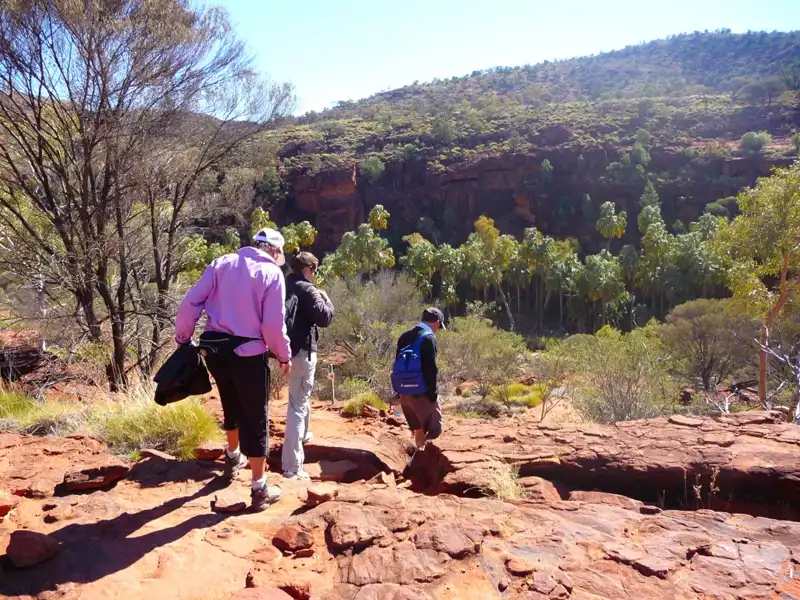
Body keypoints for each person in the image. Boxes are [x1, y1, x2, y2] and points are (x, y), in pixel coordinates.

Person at [174, 227, 292, 512]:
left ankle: (232, 457)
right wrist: (283, 355)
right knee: (256, 416)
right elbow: (272, 325)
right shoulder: (271, 273)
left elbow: (190, 302)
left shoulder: (221, 263)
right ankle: (259, 488)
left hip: (215, 352)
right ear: (275, 251)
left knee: (230, 402)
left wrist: (183, 339)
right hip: (248, 355)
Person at [281, 252, 334, 480]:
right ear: (308, 269)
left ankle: (302, 435)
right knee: (297, 405)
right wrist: (327, 300)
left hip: (283, 352)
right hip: (303, 352)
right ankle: (292, 467)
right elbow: (324, 318)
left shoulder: (283, 285)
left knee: (300, 398)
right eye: (314, 270)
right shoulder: (308, 289)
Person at [393, 308, 445, 449]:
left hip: (404, 391)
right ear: (437, 323)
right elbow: (430, 368)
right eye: (439, 327)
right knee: (435, 429)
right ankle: (422, 458)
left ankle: (417, 455)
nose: (438, 330)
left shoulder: (404, 336)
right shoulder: (428, 337)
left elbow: (397, 363)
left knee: (419, 428)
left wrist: (399, 391)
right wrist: (433, 394)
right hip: (421, 391)